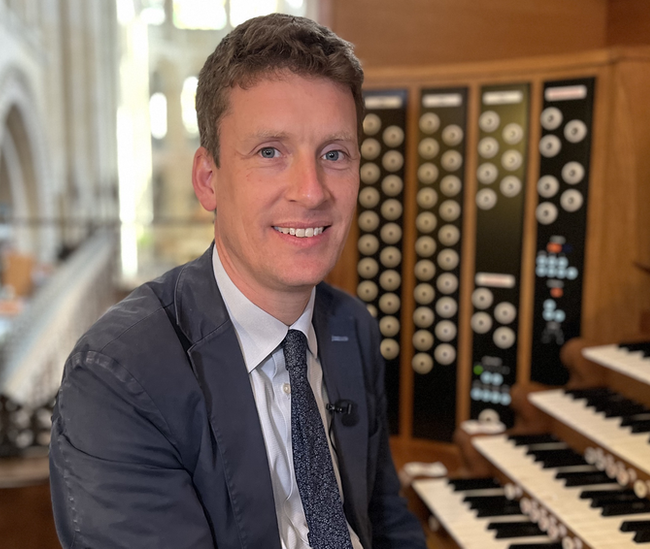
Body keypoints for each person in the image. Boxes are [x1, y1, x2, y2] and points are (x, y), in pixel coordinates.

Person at [49, 13, 427, 549]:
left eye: (334, 154)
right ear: (209, 180)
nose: (312, 191)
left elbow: (386, 522)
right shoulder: (117, 380)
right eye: (270, 152)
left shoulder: (351, 328)